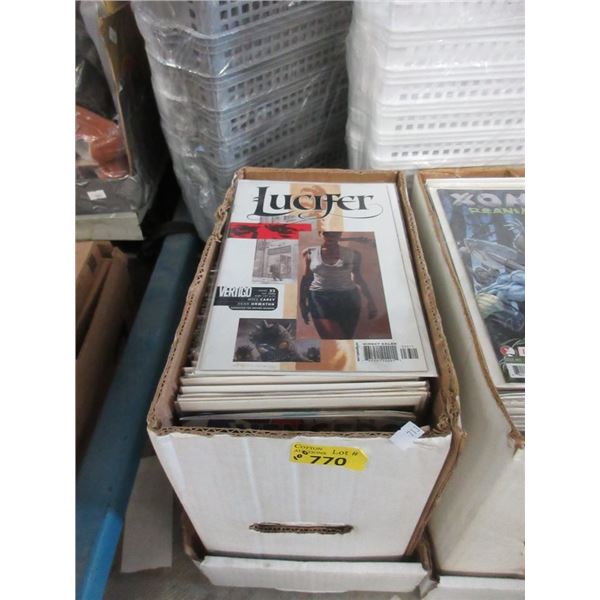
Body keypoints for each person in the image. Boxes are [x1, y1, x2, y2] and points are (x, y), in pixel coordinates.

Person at [299, 232, 377, 339]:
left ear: (340, 234)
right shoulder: (309, 252)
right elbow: (306, 279)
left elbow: (358, 278)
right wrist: (302, 303)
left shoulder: (354, 254)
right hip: (320, 299)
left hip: (348, 298)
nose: (331, 236)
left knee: (346, 339)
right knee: (333, 339)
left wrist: (370, 301)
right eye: (327, 233)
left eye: (335, 233)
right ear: (320, 233)